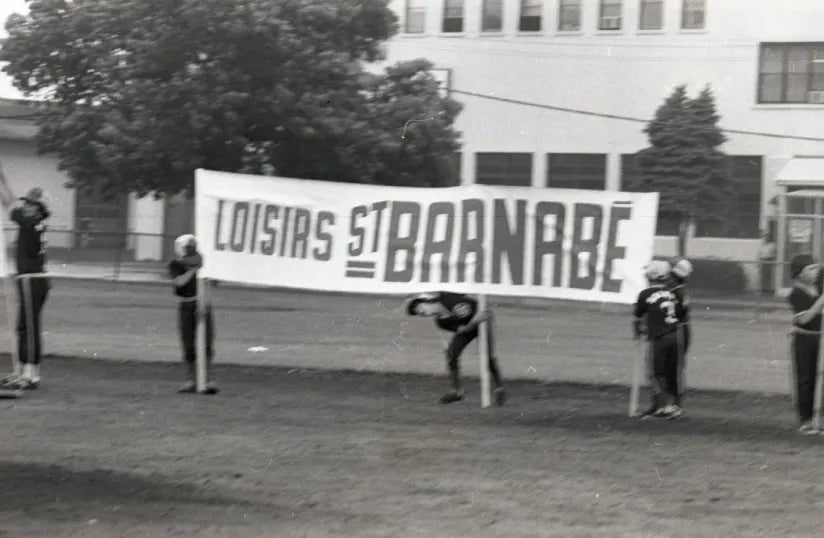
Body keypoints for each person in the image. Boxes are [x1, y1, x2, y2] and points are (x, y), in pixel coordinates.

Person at [406, 291, 506, 405]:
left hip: (483, 320)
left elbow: (466, 289)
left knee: (487, 357)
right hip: (472, 325)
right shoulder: (441, 322)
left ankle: (500, 389)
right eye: (421, 314)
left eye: (421, 310)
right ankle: (456, 392)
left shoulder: (446, 296)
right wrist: (474, 321)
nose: (423, 314)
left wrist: (482, 311)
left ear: (426, 300)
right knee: (451, 354)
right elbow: (463, 330)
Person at [1, 188, 51, 390]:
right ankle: (24, 372)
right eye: (26, 203)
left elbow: (12, 209)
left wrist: (3, 183)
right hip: (30, 279)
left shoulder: (32, 224)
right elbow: (12, 207)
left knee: (29, 327)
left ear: (39, 209)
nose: (25, 207)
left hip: (33, 280)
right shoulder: (34, 223)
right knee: (24, 326)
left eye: (30, 204)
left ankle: (30, 374)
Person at [633, 260, 685, 419]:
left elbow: (637, 317)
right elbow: (679, 312)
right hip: (676, 336)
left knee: (654, 373)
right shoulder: (671, 293)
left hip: (660, 337)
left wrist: (638, 331)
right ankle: (669, 406)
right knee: (668, 372)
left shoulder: (645, 294)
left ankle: (660, 407)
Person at [168, 234, 218, 394]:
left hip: (202, 304)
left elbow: (210, 284)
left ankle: (207, 379)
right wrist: (194, 270)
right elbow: (179, 282)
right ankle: (191, 380)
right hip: (186, 304)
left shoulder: (204, 263)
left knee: (207, 343)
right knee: (188, 344)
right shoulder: (175, 264)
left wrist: (205, 303)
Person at [786, 254, 824, 434]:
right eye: (811, 269)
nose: (816, 272)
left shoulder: (817, 288)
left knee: (820, 378)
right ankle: (806, 419)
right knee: (805, 378)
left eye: (817, 268)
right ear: (799, 274)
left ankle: (819, 417)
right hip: (804, 339)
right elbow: (805, 319)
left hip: (820, 338)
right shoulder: (796, 293)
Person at [669, 258, 693, 409]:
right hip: (681, 329)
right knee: (673, 366)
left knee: (675, 366)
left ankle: (676, 403)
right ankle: (674, 402)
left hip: (679, 329)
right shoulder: (679, 290)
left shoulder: (678, 291)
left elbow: (680, 311)